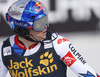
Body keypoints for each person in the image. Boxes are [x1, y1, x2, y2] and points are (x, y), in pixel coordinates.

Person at [0, 0, 100, 77]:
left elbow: (88, 73)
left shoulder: (58, 43)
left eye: (45, 21)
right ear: (22, 29)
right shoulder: (5, 49)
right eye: (39, 24)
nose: (45, 27)